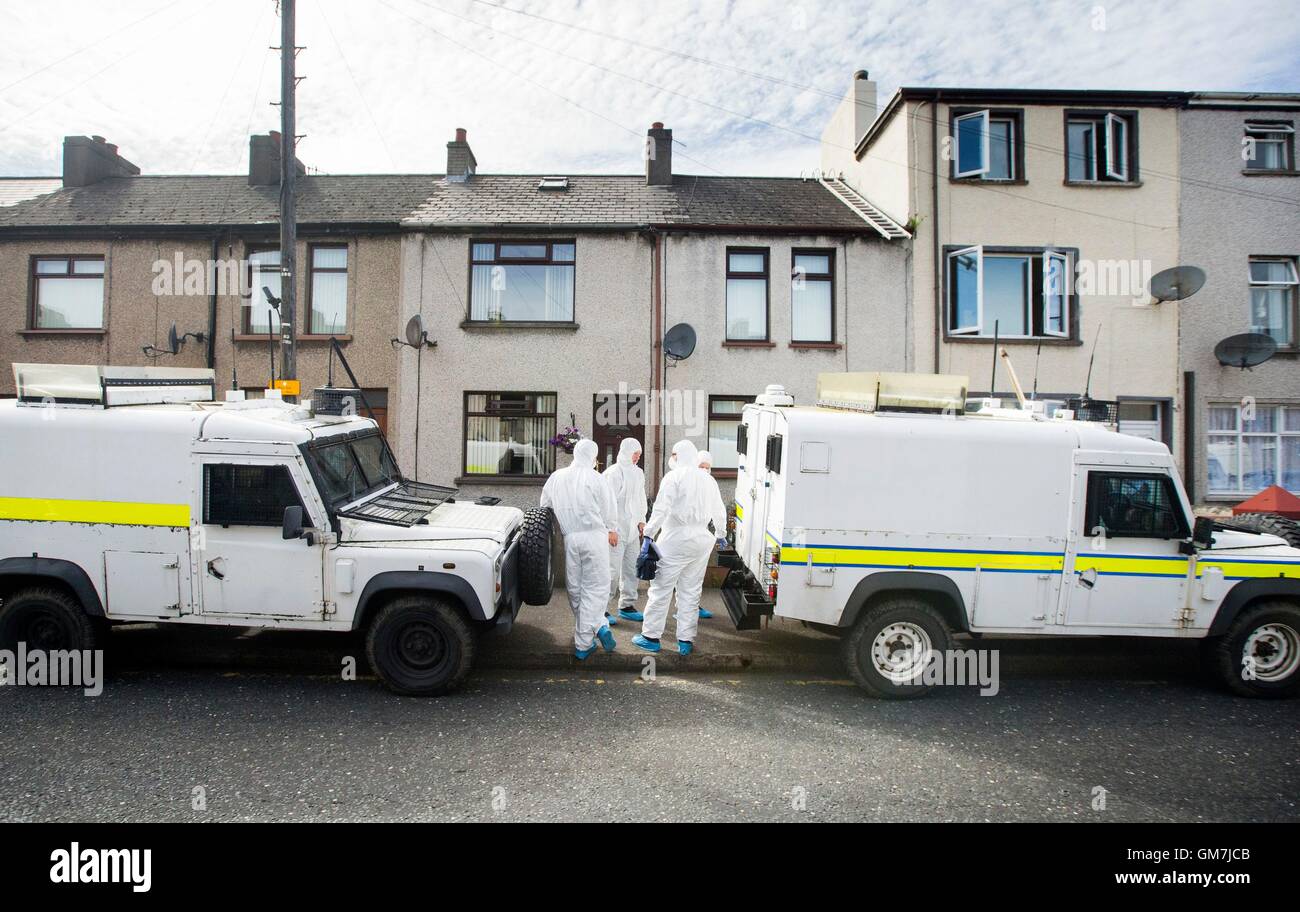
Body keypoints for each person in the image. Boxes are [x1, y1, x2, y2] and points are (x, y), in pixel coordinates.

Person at [633, 440, 726, 656]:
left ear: (679, 455)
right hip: (702, 539)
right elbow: (719, 511)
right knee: (691, 590)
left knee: (661, 588)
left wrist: (648, 534)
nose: (671, 458)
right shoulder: (708, 479)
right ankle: (685, 640)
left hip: (676, 538)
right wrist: (721, 535)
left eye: (673, 454)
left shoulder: (673, 477)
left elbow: (661, 509)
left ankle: (650, 637)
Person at [540, 438, 620, 659]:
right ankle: (585, 642)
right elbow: (609, 509)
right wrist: (612, 528)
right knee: (596, 588)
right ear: (593, 457)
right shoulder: (597, 478)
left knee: (575, 588)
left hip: (570, 538)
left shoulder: (556, 477)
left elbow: (544, 507)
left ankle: (598, 625)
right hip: (595, 536)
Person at [602, 437, 647, 623]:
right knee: (611, 571)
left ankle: (626, 605)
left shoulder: (638, 473)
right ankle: (601, 608)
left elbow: (640, 498)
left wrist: (642, 520)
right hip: (616, 530)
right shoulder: (613, 473)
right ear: (627, 452)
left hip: (632, 531)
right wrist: (610, 528)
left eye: (639, 454)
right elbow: (607, 503)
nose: (637, 457)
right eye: (635, 453)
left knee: (631, 569)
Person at [693, 450, 718, 620]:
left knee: (696, 575)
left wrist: (719, 532)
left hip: (701, 534)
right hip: (682, 535)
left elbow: (717, 509)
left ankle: (692, 606)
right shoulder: (688, 480)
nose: (704, 470)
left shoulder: (711, 483)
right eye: (701, 466)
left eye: (707, 467)